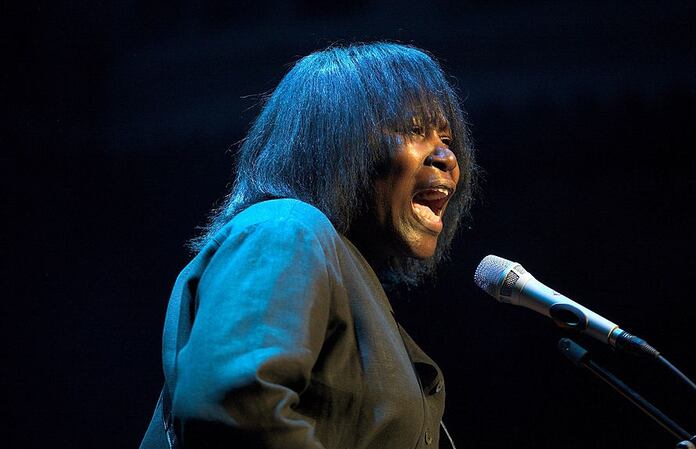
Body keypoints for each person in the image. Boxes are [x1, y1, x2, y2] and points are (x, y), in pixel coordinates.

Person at [140, 42, 476, 449]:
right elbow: (240, 408)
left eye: (447, 136)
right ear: (338, 141)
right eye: (415, 130)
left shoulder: (344, 274)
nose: (447, 156)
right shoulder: (285, 230)